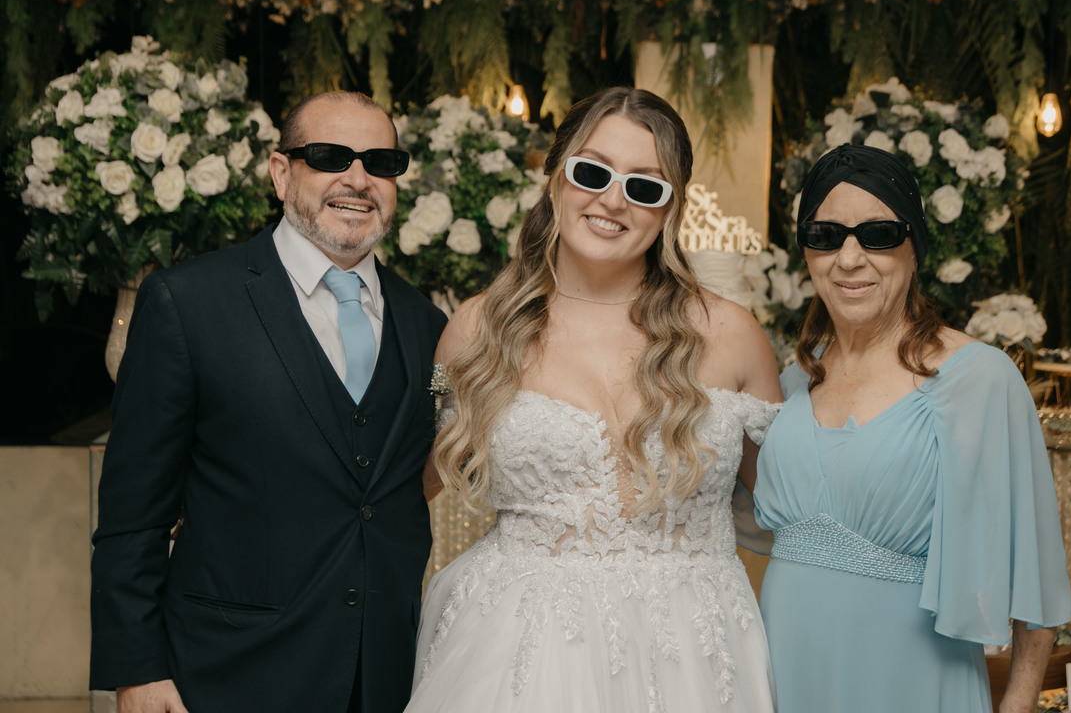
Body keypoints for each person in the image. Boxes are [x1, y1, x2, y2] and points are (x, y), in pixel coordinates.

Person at [405, 87, 783, 712]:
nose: (613, 200)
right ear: (556, 177)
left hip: (696, 652)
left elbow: (790, 511)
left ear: (670, 208)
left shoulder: (732, 334)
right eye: (593, 172)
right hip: (520, 650)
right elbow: (401, 489)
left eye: (645, 186)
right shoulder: (476, 329)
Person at [90, 91, 447, 713]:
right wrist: (138, 670)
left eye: (380, 163)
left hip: (385, 678)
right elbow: (132, 517)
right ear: (282, 173)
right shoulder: (187, 303)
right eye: (330, 157)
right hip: (228, 674)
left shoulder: (426, 324)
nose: (358, 179)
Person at [754, 143, 1071, 712]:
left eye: (878, 234)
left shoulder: (979, 378)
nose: (849, 258)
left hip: (913, 680)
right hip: (788, 669)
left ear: (914, 246)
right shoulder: (793, 381)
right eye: (825, 235)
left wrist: (1019, 702)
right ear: (806, 250)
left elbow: (1037, 577)